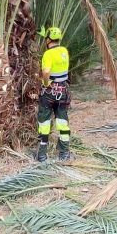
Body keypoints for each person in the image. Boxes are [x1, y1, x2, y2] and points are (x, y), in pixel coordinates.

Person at [36, 26, 72, 162]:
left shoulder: (48, 54)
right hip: (63, 91)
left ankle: (42, 155)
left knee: (44, 122)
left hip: (50, 92)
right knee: (63, 122)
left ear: (48, 39)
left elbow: (46, 72)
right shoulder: (64, 51)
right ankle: (64, 153)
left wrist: (46, 83)